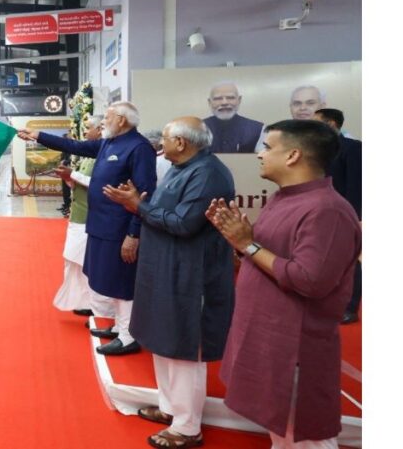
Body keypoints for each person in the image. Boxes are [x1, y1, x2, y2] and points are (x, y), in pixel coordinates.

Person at [206, 119, 361, 448]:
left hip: (294, 346)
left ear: (293, 156)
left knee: (303, 437)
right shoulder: (287, 198)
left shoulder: (326, 210)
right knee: (283, 434)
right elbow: (269, 256)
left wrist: (248, 245)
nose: (260, 155)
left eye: (267, 147)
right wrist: (240, 245)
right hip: (268, 334)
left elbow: (310, 280)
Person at [104, 117, 236, 449]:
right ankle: (171, 409)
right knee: (164, 340)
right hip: (166, 269)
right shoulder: (182, 167)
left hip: (191, 275)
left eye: (164, 138)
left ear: (181, 142)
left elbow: (184, 224)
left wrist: (138, 206)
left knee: (184, 348)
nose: (158, 145)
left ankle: (188, 426)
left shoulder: (207, 173)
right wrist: (139, 203)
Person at [18, 102, 157, 356]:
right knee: (108, 278)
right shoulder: (108, 143)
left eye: (109, 116)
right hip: (100, 224)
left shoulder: (139, 148)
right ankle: (119, 325)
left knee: (122, 280)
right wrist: (37, 135)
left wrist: (133, 234)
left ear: (123, 121)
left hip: (120, 228)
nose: (104, 121)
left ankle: (129, 336)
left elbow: (145, 195)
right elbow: (75, 146)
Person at [313, 108, 362, 324]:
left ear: (332, 124)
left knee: (350, 262)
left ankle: (350, 307)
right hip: (318, 213)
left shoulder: (353, 148)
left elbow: (356, 185)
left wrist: (355, 217)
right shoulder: (315, 150)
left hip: (345, 214)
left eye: (317, 122)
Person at [53, 116, 103, 315]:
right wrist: (68, 178)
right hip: (78, 214)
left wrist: (72, 174)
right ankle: (84, 301)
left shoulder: (101, 154)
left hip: (89, 216)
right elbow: (79, 184)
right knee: (74, 260)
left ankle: (95, 303)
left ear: (99, 130)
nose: (85, 132)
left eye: (88, 128)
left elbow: (99, 184)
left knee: (82, 260)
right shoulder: (89, 155)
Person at [203, 82, 265, 153]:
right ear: (209, 102)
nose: (224, 103)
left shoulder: (259, 129)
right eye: (218, 98)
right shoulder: (196, 129)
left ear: (239, 100)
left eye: (230, 98)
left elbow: (263, 161)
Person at [58, 132, 73, 216]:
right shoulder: (64, 148)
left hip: (69, 170)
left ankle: (68, 207)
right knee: (65, 189)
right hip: (63, 170)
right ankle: (66, 205)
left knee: (68, 189)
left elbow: (72, 159)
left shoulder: (72, 147)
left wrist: (66, 161)